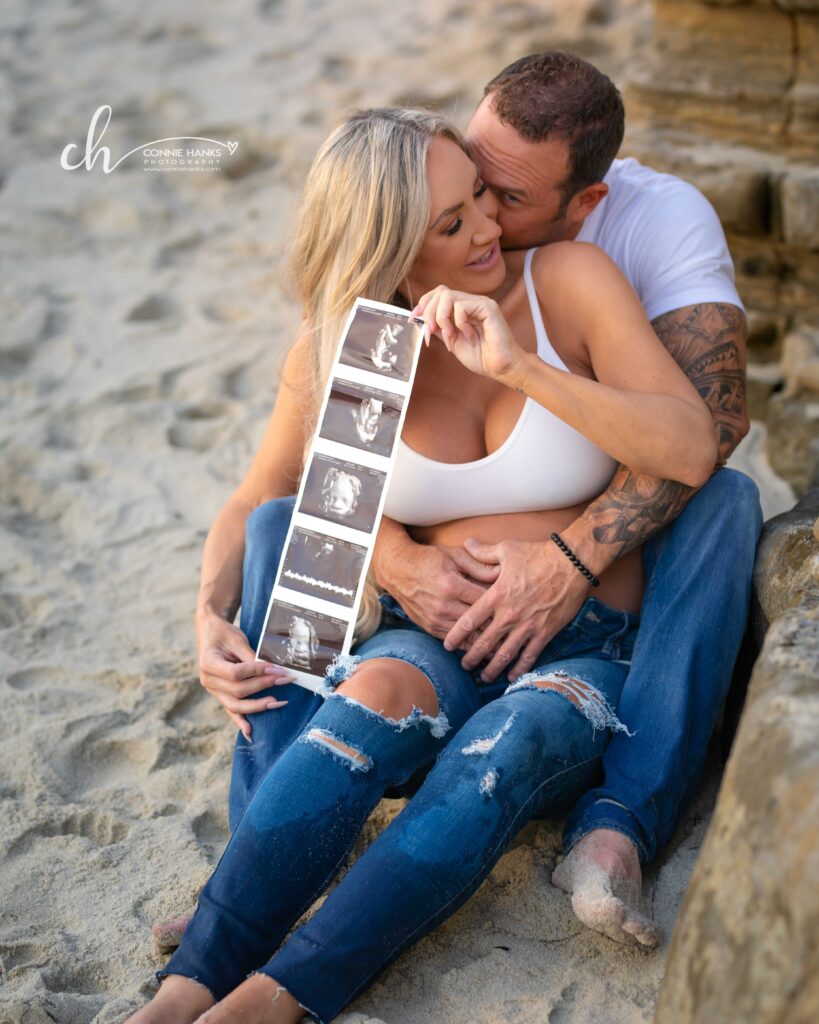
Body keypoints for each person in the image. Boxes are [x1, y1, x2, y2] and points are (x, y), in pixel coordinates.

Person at [127, 104, 729, 1024]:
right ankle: (184, 991)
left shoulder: (563, 280)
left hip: (585, 650)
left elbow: (691, 445)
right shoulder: (351, 346)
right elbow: (263, 501)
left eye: (481, 195)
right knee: (366, 700)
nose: (489, 226)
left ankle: (274, 1001)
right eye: (453, 223)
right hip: (431, 638)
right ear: (391, 256)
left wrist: (520, 366)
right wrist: (210, 614)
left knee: (506, 747)